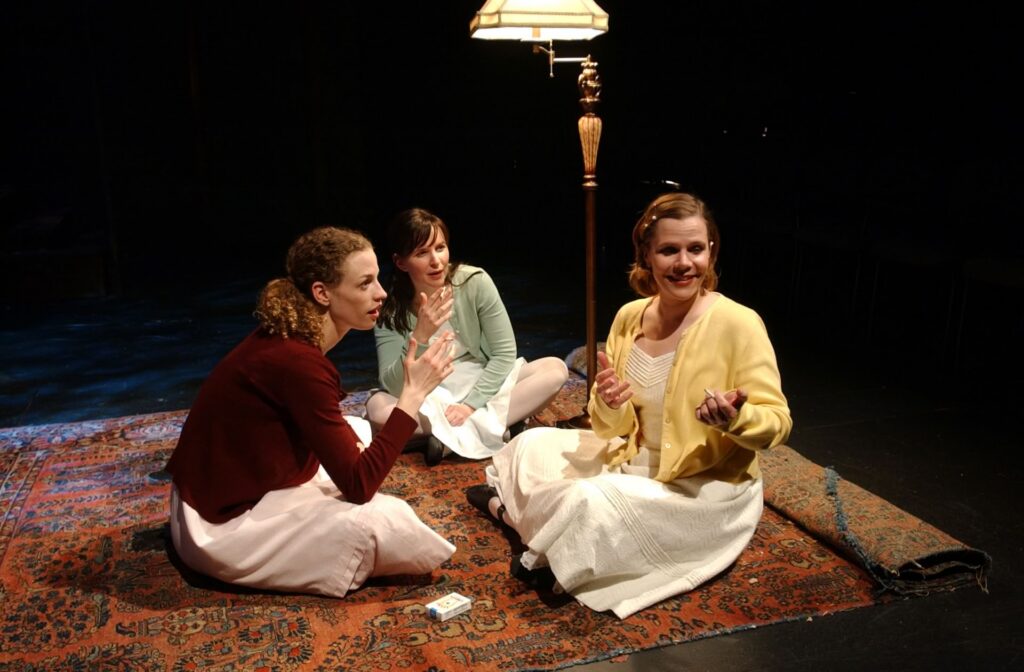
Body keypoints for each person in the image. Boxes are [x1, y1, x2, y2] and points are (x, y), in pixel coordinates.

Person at [465, 192, 792, 618]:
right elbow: (611, 428)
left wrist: (736, 419)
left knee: (589, 500)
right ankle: (546, 535)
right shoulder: (630, 316)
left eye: (695, 249)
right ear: (647, 256)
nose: (684, 263)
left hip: (699, 488)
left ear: (711, 252)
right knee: (530, 445)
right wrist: (609, 403)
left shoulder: (739, 323)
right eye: (669, 250)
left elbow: (777, 424)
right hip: (630, 461)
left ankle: (515, 519)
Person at [165, 226, 458, 598]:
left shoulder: (292, 338)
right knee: (385, 521)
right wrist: (413, 395)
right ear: (322, 293)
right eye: (365, 283)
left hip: (199, 499)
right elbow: (360, 487)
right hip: (218, 527)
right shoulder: (299, 362)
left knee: (357, 428)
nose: (381, 292)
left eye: (377, 279)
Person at [367, 207, 569, 466]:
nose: (436, 261)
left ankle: (445, 439)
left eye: (440, 248)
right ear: (400, 262)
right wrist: (421, 336)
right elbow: (394, 385)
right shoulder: (389, 309)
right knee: (379, 410)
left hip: (481, 385)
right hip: (429, 395)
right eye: (422, 253)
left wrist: (470, 405)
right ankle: (498, 426)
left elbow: (504, 353)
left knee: (555, 370)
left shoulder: (474, 281)